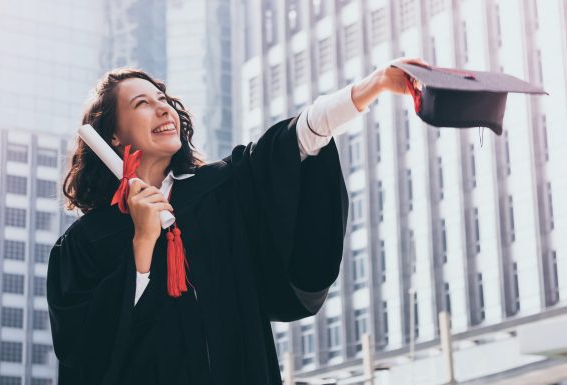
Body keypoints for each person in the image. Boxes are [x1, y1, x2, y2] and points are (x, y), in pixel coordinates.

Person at [47, 57, 426, 385]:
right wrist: (142, 246)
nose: (164, 110)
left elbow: (296, 141)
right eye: (142, 104)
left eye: (164, 101)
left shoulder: (220, 191)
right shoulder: (85, 243)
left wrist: (374, 84)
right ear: (113, 134)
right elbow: (86, 355)